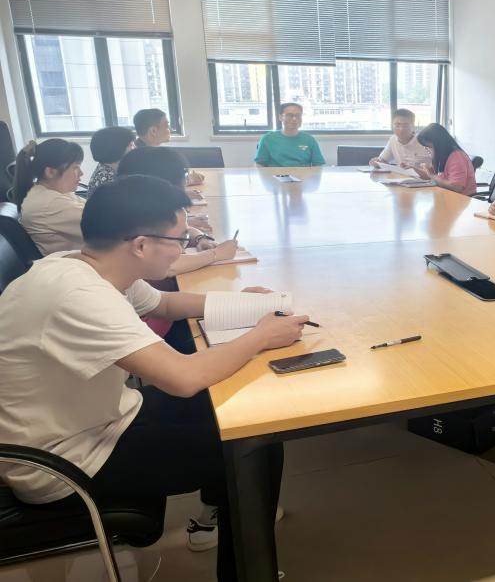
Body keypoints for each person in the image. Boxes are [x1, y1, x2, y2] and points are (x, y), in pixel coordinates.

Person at [0, 175, 306, 580]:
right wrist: (261, 336)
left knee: (243, 415)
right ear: (141, 245)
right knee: (253, 446)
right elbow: (183, 378)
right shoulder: (80, 296)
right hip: (63, 463)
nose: (183, 248)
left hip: (99, 422)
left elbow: (164, 303)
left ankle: (225, 516)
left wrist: (241, 304)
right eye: (179, 239)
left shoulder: (83, 265)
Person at [118, 147, 238, 277]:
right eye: (184, 175)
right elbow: (167, 265)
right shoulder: (134, 216)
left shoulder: (141, 203)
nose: (186, 182)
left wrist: (200, 238)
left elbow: (178, 230)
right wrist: (215, 254)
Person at [13, 138, 86, 255]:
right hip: (70, 264)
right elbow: (103, 224)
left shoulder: (52, 193)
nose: (81, 173)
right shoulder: (49, 203)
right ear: (50, 172)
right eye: (75, 168)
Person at [409, 123, 476, 195]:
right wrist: (414, 167)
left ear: (438, 144)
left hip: (461, 198)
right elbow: (429, 176)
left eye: (428, 146)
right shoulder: (441, 155)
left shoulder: (456, 157)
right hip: (445, 195)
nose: (426, 149)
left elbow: (457, 187)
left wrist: (432, 175)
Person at [254, 102, 325, 167]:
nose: (294, 119)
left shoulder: (309, 139)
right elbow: (259, 164)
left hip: (303, 176)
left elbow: (318, 164)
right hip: (276, 175)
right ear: (280, 117)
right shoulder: (267, 139)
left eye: (298, 115)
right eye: (289, 115)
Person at [87, 126, 136, 198]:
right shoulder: (107, 178)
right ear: (117, 148)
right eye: (131, 145)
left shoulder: (107, 168)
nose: (135, 148)